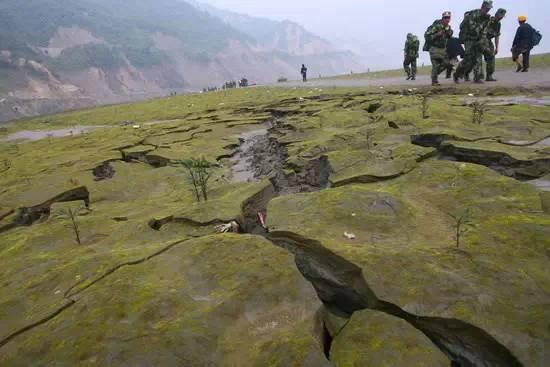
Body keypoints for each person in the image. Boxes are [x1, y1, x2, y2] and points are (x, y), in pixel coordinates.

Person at [454, 0, 493, 84]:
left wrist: (483, 40)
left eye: (489, 9)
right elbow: (473, 29)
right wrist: (481, 30)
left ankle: (477, 77)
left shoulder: (486, 18)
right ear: (482, 7)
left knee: (478, 57)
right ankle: (456, 74)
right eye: (486, 9)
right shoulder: (472, 15)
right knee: (468, 59)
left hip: (478, 39)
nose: (487, 11)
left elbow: (484, 31)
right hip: (468, 39)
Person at [424, 11, 454, 86]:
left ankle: (434, 74)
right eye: (446, 18)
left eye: (448, 18)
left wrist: (449, 33)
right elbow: (427, 36)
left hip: (443, 49)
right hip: (434, 48)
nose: (447, 20)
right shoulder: (436, 26)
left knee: (447, 64)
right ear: (442, 18)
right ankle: (434, 81)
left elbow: (449, 36)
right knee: (436, 65)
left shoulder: (448, 27)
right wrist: (437, 34)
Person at [484, 8, 507, 81]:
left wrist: (497, 47)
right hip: (480, 39)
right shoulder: (489, 21)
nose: (501, 18)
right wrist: (485, 45)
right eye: (500, 16)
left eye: (502, 17)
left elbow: (497, 36)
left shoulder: (498, 24)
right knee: (473, 59)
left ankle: (489, 76)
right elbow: (482, 33)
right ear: (496, 14)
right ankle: (466, 74)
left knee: (491, 56)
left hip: (488, 40)